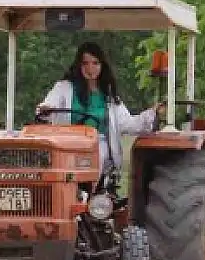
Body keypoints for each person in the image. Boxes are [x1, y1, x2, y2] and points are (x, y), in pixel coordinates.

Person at [36, 41, 164, 179]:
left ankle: (87, 194)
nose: (90, 68)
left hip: (97, 142)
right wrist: (46, 108)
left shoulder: (109, 97)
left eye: (95, 63)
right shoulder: (64, 88)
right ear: (79, 65)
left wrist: (152, 113)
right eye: (85, 63)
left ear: (102, 66)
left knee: (94, 156)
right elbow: (49, 104)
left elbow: (129, 124)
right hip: (67, 142)